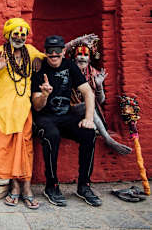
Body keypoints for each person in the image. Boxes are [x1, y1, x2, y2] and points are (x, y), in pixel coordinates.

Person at [0, 18, 45, 209]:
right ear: (8, 35)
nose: (19, 38)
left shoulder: (31, 51)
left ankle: (26, 188)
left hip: (23, 109)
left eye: (22, 34)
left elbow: (47, 57)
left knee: (24, 150)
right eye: (15, 34)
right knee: (5, 152)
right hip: (1, 110)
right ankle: (14, 187)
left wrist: (69, 47)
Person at [31, 35, 102, 207]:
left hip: (66, 115)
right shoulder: (39, 71)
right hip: (44, 118)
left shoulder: (70, 66)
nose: (54, 55)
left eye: (57, 51)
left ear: (64, 51)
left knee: (88, 133)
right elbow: (37, 106)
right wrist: (45, 95)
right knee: (51, 135)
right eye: (50, 51)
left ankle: (84, 185)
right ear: (45, 52)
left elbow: (88, 93)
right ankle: (51, 185)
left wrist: (88, 118)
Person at [66, 35, 131, 155]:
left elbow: (100, 101)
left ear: (90, 59)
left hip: (90, 116)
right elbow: (57, 52)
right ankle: (108, 139)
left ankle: (96, 129)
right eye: (79, 54)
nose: (82, 58)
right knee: (86, 105)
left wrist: (99, 85)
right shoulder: (67, 70)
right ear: (73, 58)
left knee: (89, 111)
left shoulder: (93, 73)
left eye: (86, 55)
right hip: (70, 110)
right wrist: (77, 40)